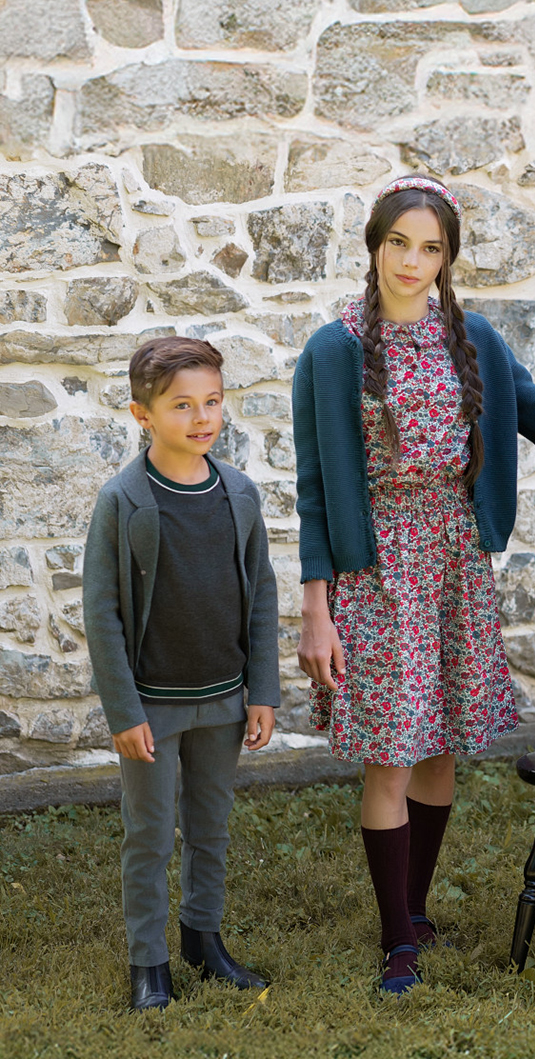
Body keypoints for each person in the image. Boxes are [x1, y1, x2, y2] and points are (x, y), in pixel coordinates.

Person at [292, 174, 535, 994]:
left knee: (440, 744)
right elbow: (313, 489)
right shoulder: (334, 349)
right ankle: (396, 939)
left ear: (447, 258)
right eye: (398, 243)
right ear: (374, 245)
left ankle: (415, 906)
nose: (411, 261)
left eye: (430, 248)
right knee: (392, 752)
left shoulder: (476, 340)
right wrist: (316, 609)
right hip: (377, 569)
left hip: (453, 560)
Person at [83, 336, 280, 1012]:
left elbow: (261, 592)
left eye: (213, 402)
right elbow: (102, 612)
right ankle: (149, 962)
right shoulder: (123, 500)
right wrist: (123, 711)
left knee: (210, 828)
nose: (202, 418)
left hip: (223, 700)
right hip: (152, 707)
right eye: (182, 405)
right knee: (149, 834)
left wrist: (262, 691)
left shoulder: (239, 494)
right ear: (142, 414)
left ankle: (203, 939)